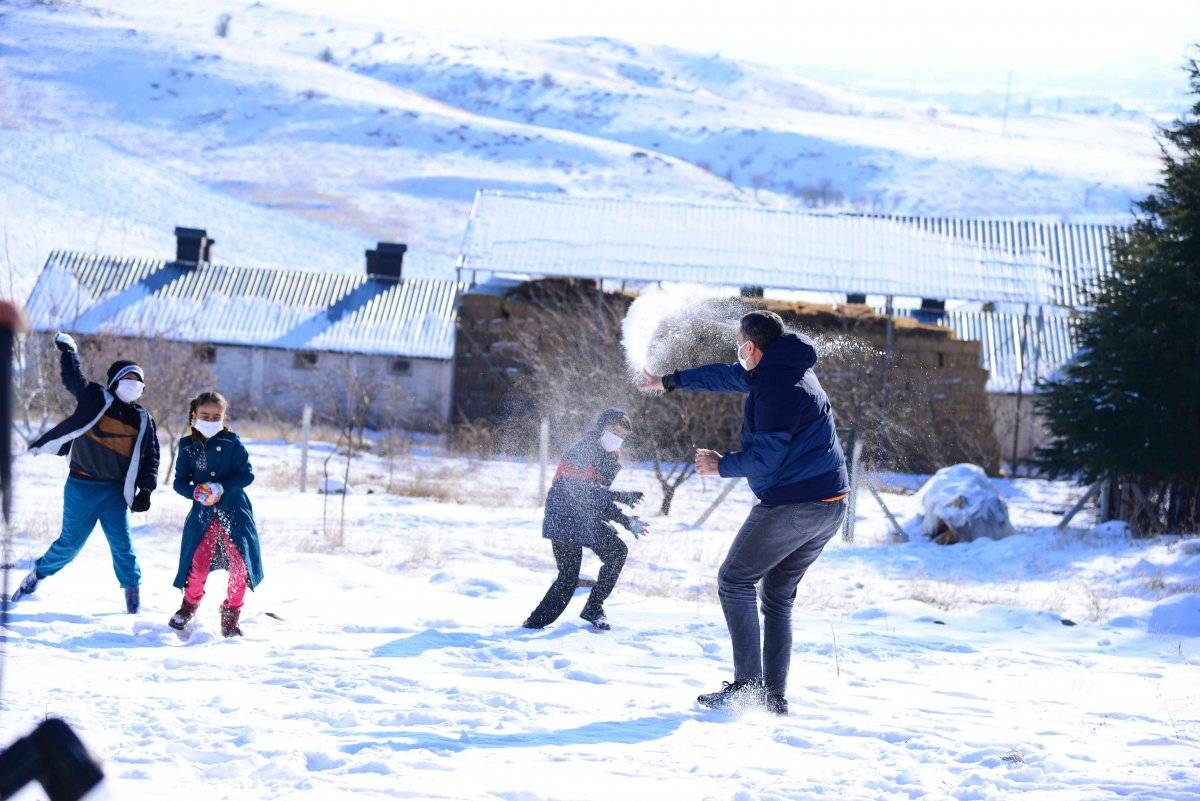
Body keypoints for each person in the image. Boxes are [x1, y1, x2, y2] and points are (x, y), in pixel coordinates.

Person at [639, 310, 848, 716]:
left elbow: (767, 458)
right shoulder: (784, 367)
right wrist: (670, 380)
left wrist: (721, 464)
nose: (738, 353)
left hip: (795, 504)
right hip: (830, 505)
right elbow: (725, 376)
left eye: (740, 346)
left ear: (751, 347)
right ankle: (772, 697)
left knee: (734, 580)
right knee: (777, 596)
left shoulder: (776, 389)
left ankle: (748, 687)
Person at [19, 333, 159, 613]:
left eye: (138, 382)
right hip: (81, 487)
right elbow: (73, 379)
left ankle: (133, 605)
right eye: (127, 379)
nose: (133, 385)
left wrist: (145, 489)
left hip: (114, 493)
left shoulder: (143, 419)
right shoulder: (96, 399)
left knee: (124, 548)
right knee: (69, 546)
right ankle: (36, 575)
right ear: (115, 382)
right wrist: (69, 350)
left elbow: (151, 458)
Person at [523, 408, 648, 631]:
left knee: (617, 552)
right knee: (568, 577)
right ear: (601, 427)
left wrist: (625, 520)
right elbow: (580, 491)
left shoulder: (611, 456)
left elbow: (597, 497)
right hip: (563, 515)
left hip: (585, 516)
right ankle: (533, 624)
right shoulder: (583, 449)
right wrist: (619, 496)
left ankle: (593, 607)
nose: (616, 437)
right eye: (613, 430)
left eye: (621, 434)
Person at [168, 391, 262, 637]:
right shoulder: (187, 446)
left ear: (223, 417)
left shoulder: (233, 442)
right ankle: (189, 604)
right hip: (203, 518)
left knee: (240, 569)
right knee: (197, 568)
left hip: (235, 515)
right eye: (205, 415)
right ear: (194, 416)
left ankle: (231, 615)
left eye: (216, 416)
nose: (210, 420)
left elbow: (246, 475)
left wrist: (222, 487)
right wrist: (195, 492)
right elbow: (179, 482)